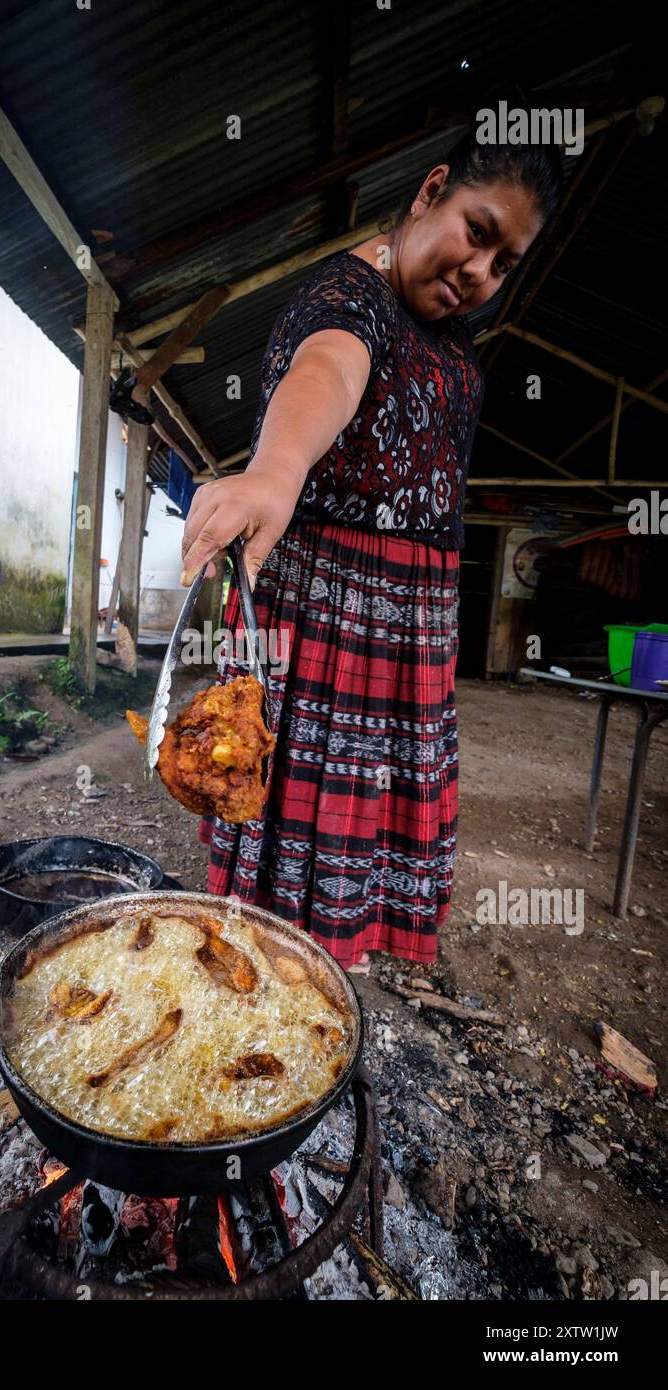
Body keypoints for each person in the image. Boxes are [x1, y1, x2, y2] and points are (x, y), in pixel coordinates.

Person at [180, 100, 565, 971]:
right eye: (477, 231)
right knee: (287, 879)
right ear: (433, 190)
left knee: (351, 879)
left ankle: (319, 1002)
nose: (480, 269)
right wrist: (277, 470)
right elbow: (328, 368)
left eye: (504, 262)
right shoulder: (349, 294)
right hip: (333, 625)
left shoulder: (448, 328)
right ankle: (262, 1019)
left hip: (407, 632)